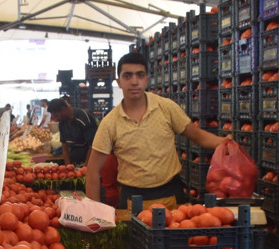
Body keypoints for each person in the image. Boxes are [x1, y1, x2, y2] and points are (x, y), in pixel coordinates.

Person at [85, 52, 230, 210]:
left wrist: (224, 142)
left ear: (147, 79)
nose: (134, 82)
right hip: (132, 200)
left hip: (171, 193)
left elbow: (198, 136)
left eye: (140, 75)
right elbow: (93, 171)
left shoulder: (166, 107)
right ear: (119, 82)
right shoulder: (110, 122)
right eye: (128, 76)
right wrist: (95, 213)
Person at [48, 98, 97, 167]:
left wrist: (85, 168)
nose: (56, 119)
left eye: (56, 116)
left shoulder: (84, 119)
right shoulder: (62, 123)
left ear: (64, 110)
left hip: (89, 163)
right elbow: (64, 148)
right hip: (74, 162)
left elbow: (93, 146)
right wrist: (69, 167)